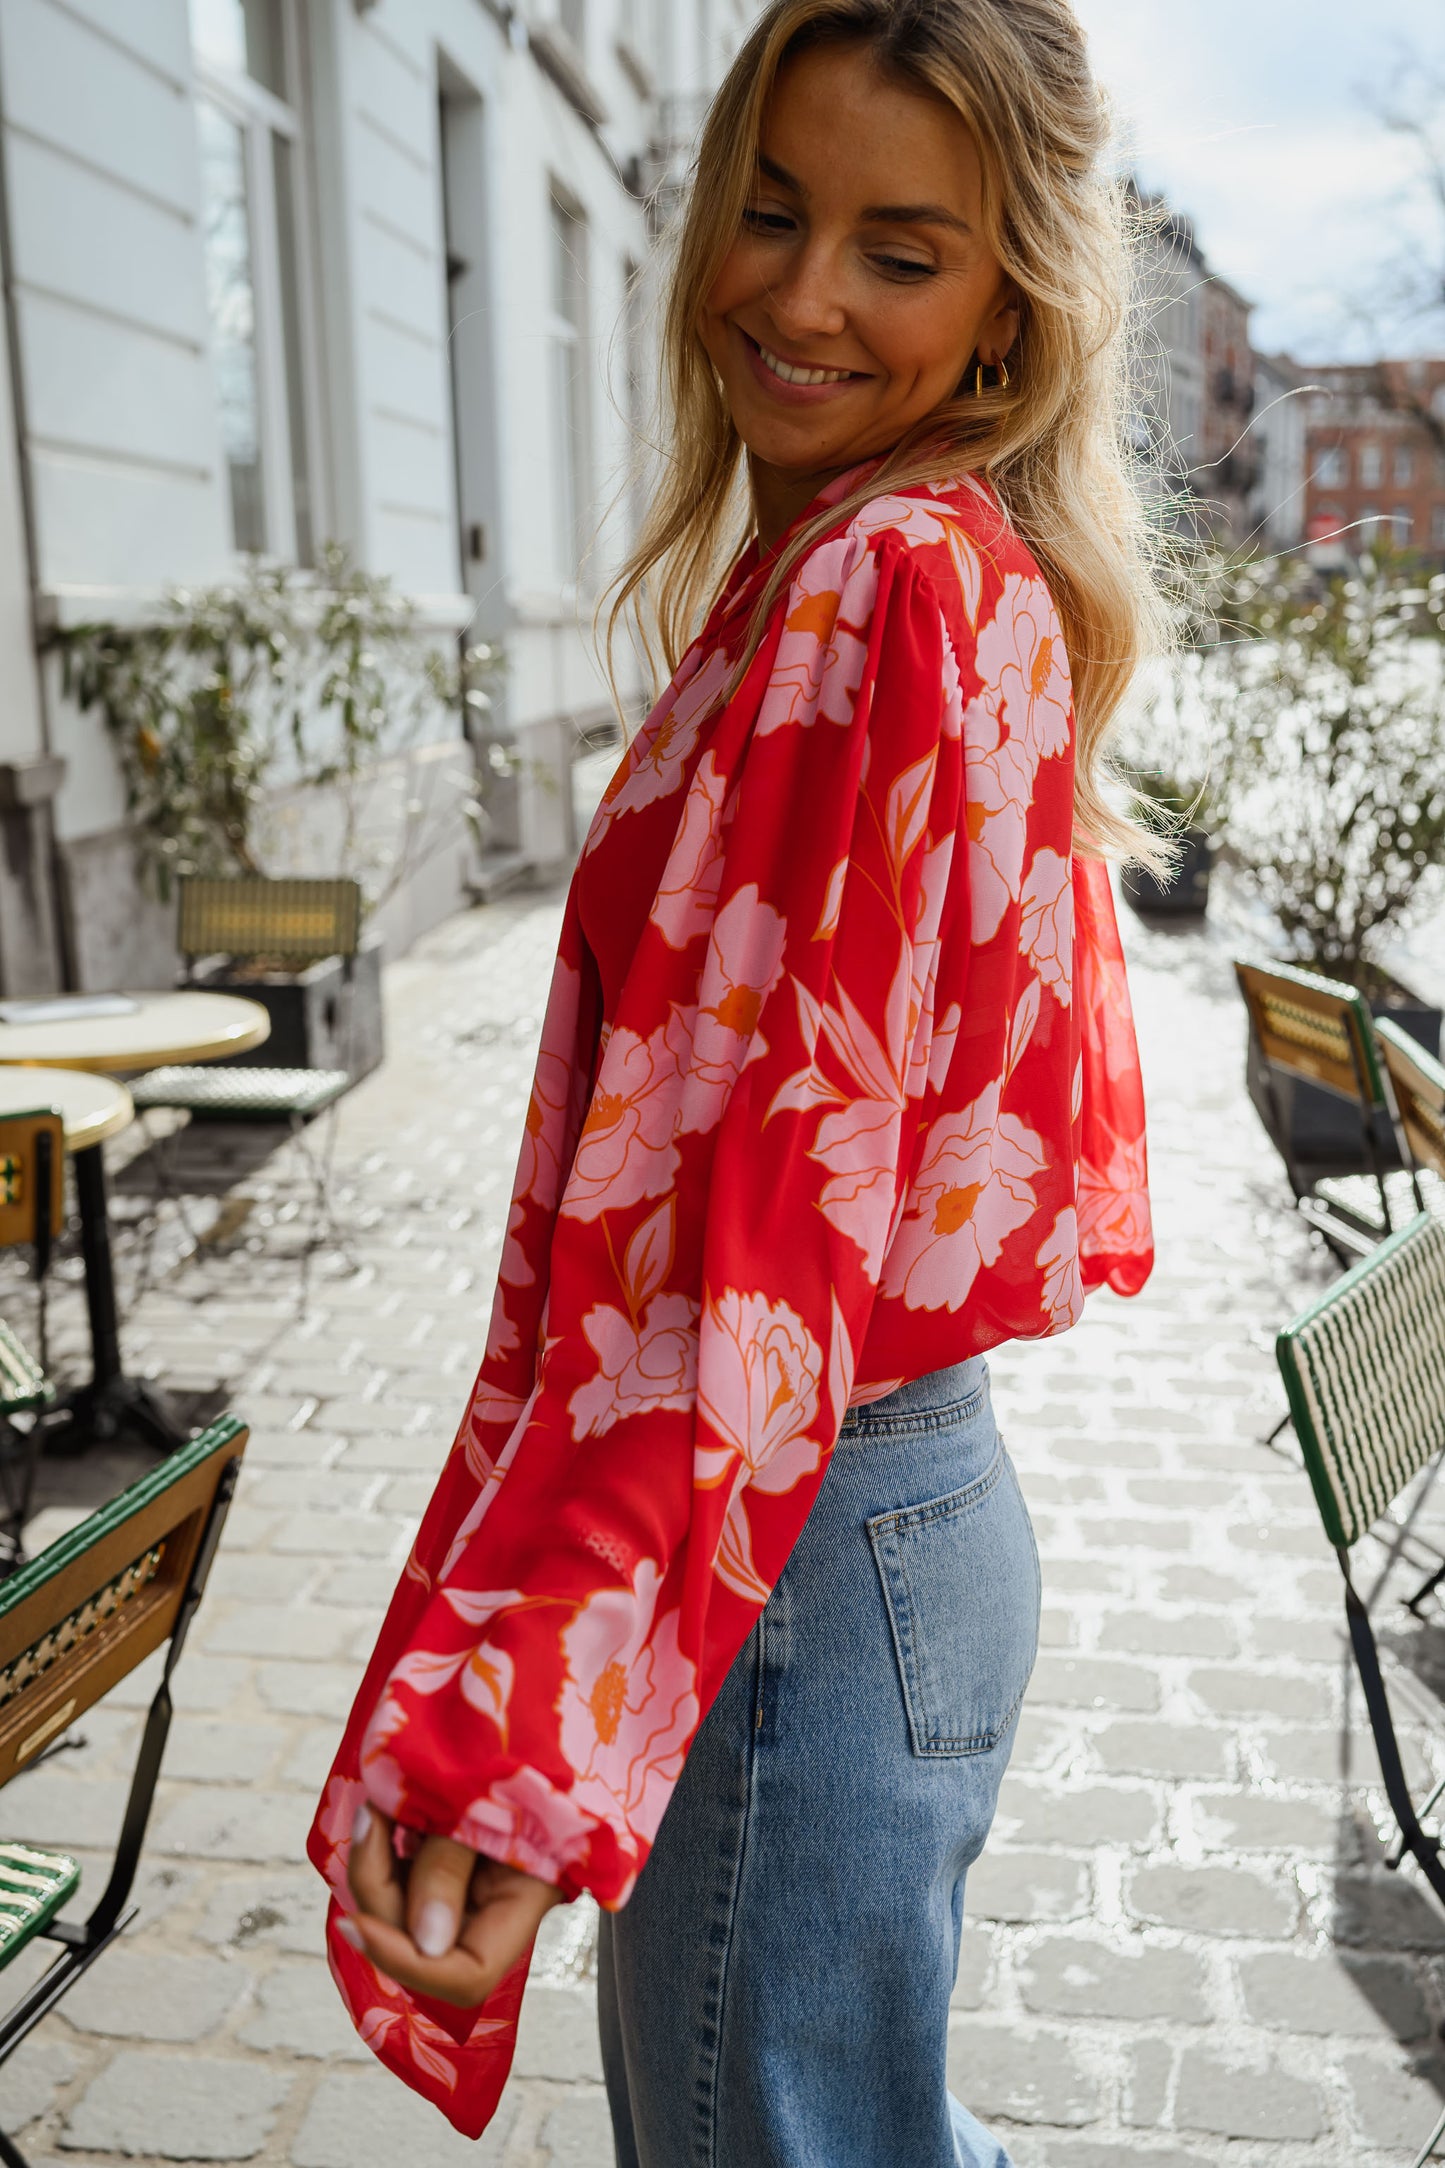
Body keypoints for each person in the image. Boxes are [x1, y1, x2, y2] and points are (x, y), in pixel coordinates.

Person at [308, 1, 1160, 2160]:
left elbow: (750, 1255)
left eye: (900, 250)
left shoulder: (875, 584)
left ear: (1009, 303)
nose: (800, 296)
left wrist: (538, 1736)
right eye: (772, 213)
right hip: (875, 1523)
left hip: (789, 1542)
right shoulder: (937, 566)